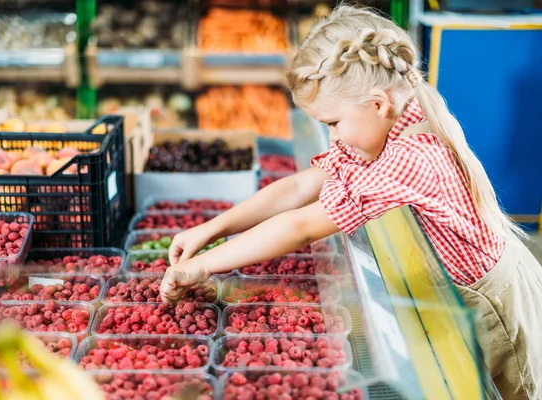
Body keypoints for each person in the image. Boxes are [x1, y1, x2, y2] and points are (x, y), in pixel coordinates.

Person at [159, 5, 542, 399]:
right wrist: (212, 229)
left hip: (492, 308)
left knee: (512, 390)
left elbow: (300, 225)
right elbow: (299, 188)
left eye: (332, 123)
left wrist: (203, 265)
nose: (334, 138)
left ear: (377, 104)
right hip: (452, 291)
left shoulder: (412, 158)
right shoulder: (384, 120)